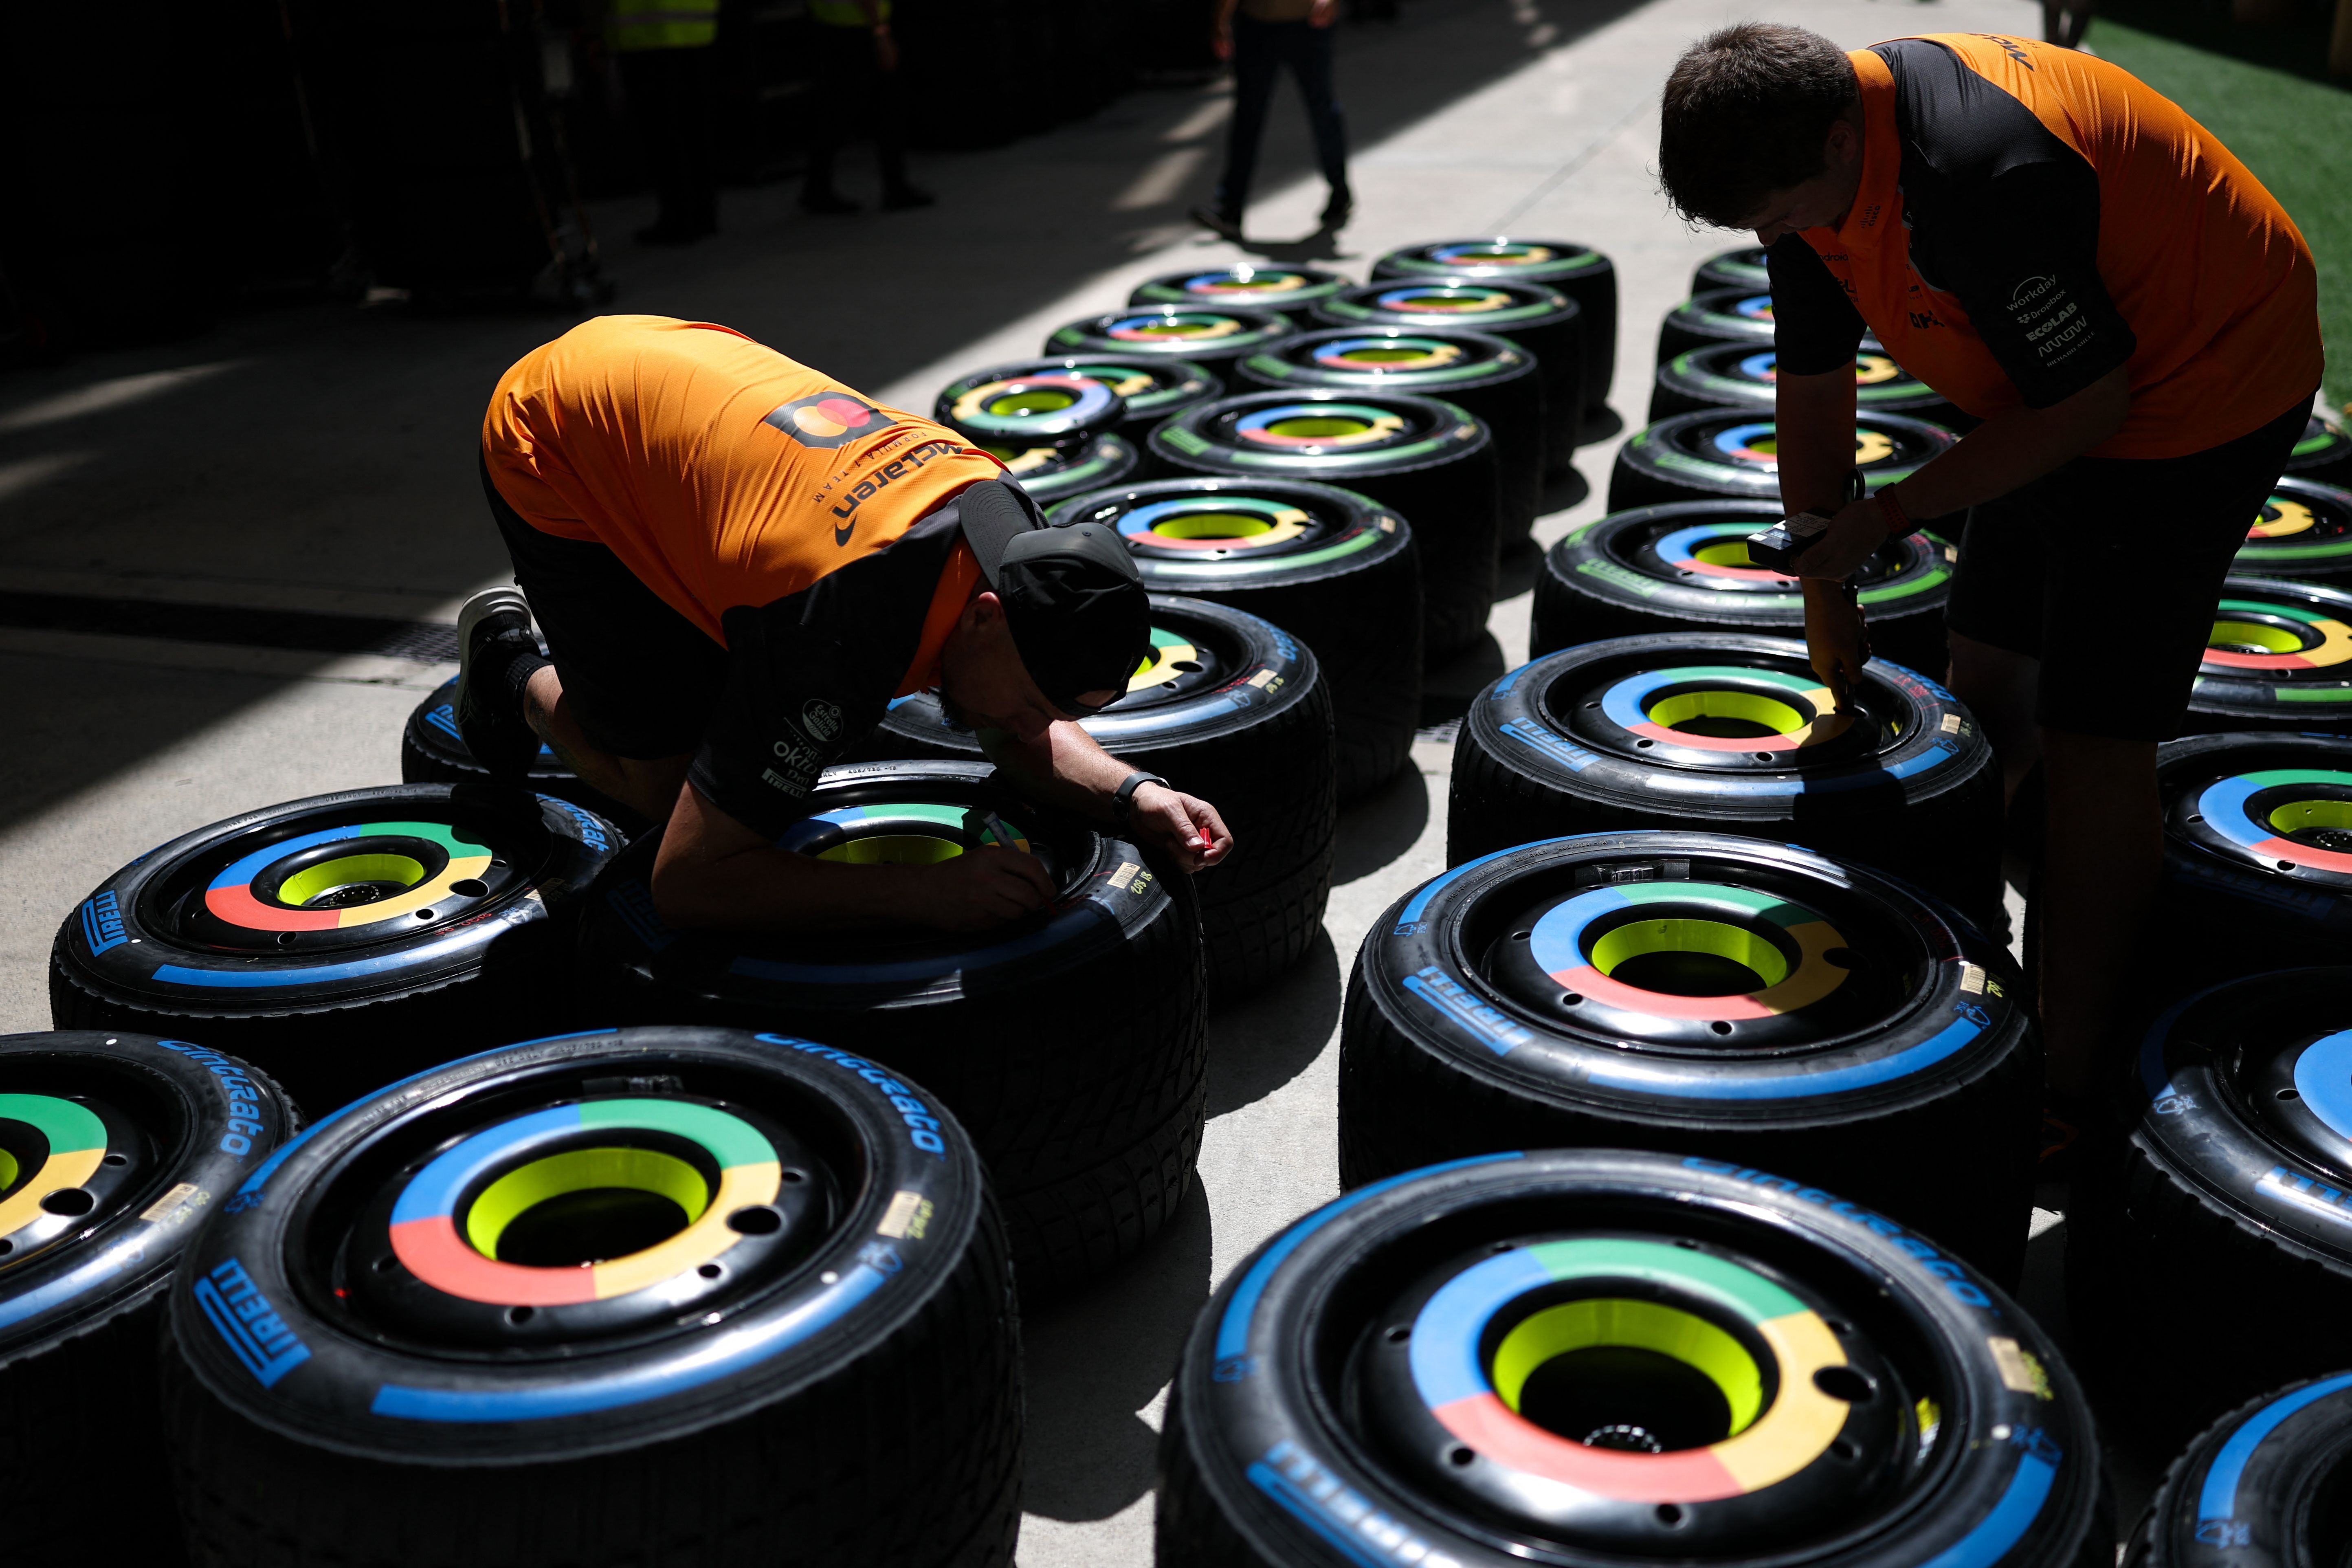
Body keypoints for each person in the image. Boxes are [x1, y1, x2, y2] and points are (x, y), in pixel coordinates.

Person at [1656, 24, 2321, 1153]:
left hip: (2191, 393)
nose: (1770, 240)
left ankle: (2068, 1075)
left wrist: (1888, 516)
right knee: (1982, 676)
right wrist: (1825, 584)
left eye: (1773, 216)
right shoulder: (1811, 170)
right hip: (2042, 391)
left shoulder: (1978, 175)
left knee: (2091, 738)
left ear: (1832, 140)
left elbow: (2087, 411)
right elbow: (1811, 396)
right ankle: (2000, 942)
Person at [460, 315, 1233, 932]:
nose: (1031, 724)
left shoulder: (1009, 533)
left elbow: (1021, 730)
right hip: (559, 429)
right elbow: (688, 883)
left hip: (677, 367)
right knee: (671, 793)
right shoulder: (835, 632)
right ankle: (507, 666)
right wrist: (923, 893)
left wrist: (1131, 794)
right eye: (1034, 702)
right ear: (988, 616)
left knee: (746, 743)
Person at [1191, 0, 1352, 242]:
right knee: (1247, 116)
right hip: (1257, 26)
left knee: (1322, 110)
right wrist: (1221, 22)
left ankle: (1339, 190)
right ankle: (1230, 208)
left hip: (1306, 23)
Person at [801, 0, 931, 214]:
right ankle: (894, 186)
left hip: (830, 22)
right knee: (881, 107)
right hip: (856, 26)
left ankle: (818, 187)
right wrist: (880, 30)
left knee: (839, 110)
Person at [608, 0, 721, 244]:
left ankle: (679, 218)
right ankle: (703, 212)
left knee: (663, 133)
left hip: (647, 33)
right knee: (697, 127)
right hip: (698, 24)